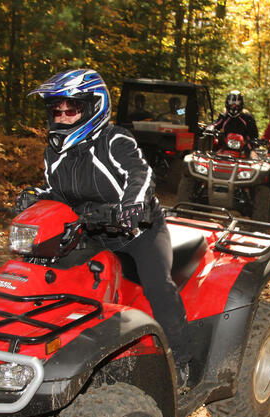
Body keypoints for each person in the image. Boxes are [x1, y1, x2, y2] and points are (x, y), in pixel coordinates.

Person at [20, 68, 191, 386]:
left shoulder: (115, 140)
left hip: (139, 229)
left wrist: (133, 205)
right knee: (44, 271)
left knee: (158, 286)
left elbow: (141, 175)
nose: (62, 116)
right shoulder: (54, 152)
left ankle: (180, 362)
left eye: (71, 109)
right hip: (90, 229)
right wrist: (35, 197)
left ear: (93, 107)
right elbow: (59, 193)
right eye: (56, 110)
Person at [207, 90, 259, 155]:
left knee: (254, 158)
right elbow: (216, 124)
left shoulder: (247, 117)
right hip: (225, 147)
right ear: (227, 103)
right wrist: (210, 129)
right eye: (231, 103)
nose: (234, 106)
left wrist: (254, 142)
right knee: (211, 155)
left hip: (244, 149)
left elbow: (254, 134)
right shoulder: (224, 116)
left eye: (237, 103)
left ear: (241, 103)